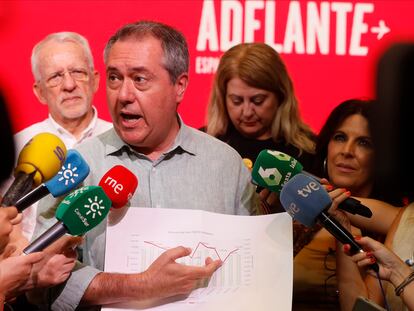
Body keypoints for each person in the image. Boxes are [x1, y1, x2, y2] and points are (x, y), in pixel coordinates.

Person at [33, 20, 260, 310]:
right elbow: (40, 282)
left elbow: (250, 272)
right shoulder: (78, 167)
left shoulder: (226, 165)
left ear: (179, 86)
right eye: (115, 78)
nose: (124, 95)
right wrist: (141, 286)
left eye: (140, 79)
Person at [1, 32, 112, 241]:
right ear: (40, 91)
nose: (69, 85)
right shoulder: (17, 146)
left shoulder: (121, 140)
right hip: (31, 266)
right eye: (55, 77)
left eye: (78, 72)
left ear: (95, 80)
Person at [293, 99, 400, 310]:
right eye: (340, 138)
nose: (347, 151)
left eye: (364, 142)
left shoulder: (396, 229)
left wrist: (343, 233)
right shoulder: (303, 219)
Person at [205, 42, 315, 169]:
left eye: (258, 100)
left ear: (281, 95)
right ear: (222, 98)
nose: (247, 112)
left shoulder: (310, 150)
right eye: (237, 101)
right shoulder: (201, 145)